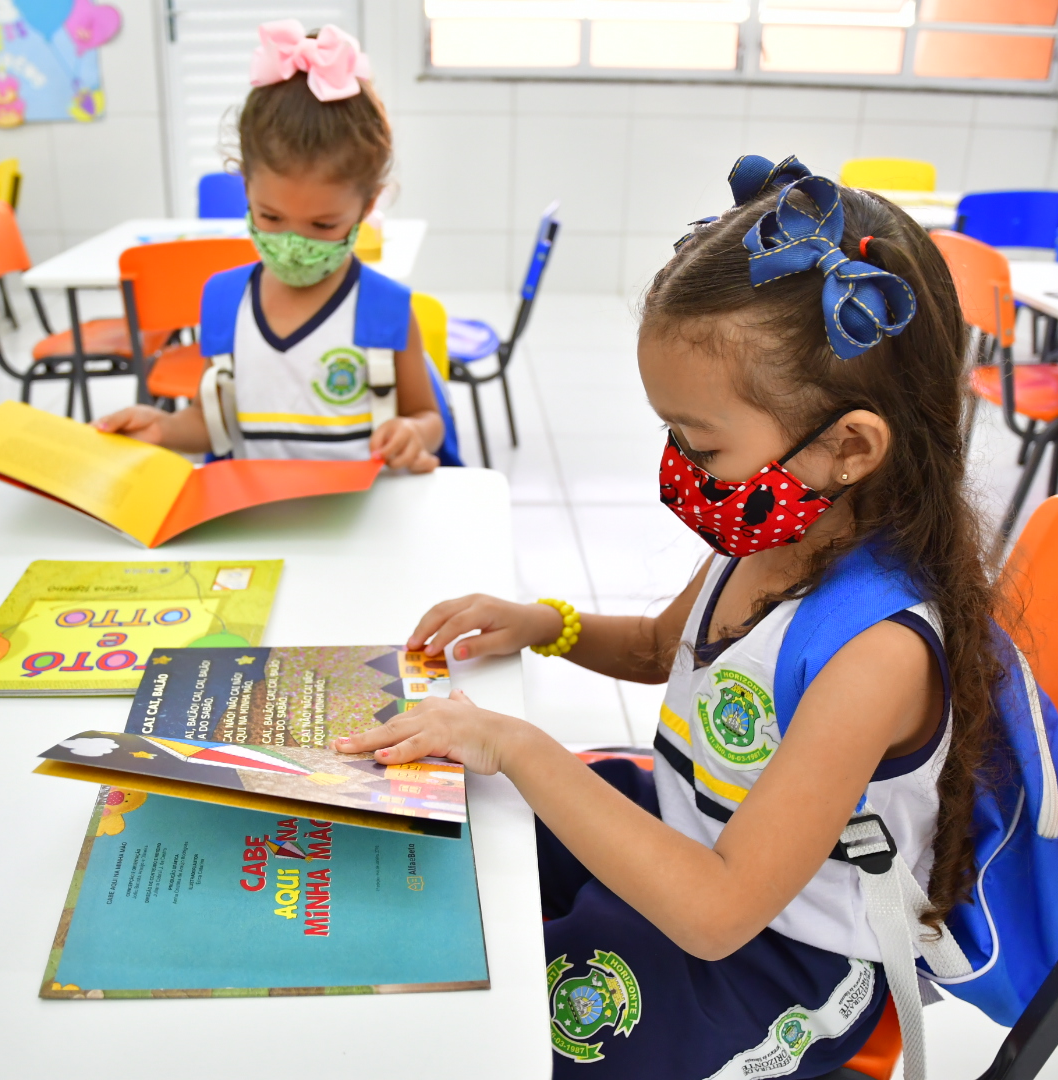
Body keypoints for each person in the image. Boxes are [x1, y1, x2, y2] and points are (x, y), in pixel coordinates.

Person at [335, 156, 1002, 1078]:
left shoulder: (877, 654)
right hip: (690, 835)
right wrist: (546, 624)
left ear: (848, 446)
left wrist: (519, 743)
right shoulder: (773, 527)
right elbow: (660, 646)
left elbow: (720, 914)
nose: (681, 468)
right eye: (669, 435)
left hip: (778, 953)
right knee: (447, 847)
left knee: (511, 1038)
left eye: (699, 442)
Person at [95, 21, 445, 472]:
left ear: (368, 205)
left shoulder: (385, 309)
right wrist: (161, 428)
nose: (294, 244)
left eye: (323, 224)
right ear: (245, 190)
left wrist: (414, 433)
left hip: (358, 525)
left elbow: (428, 416)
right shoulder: (223, 303)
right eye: (271, 218)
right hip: (258, 525)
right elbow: (213, 423)